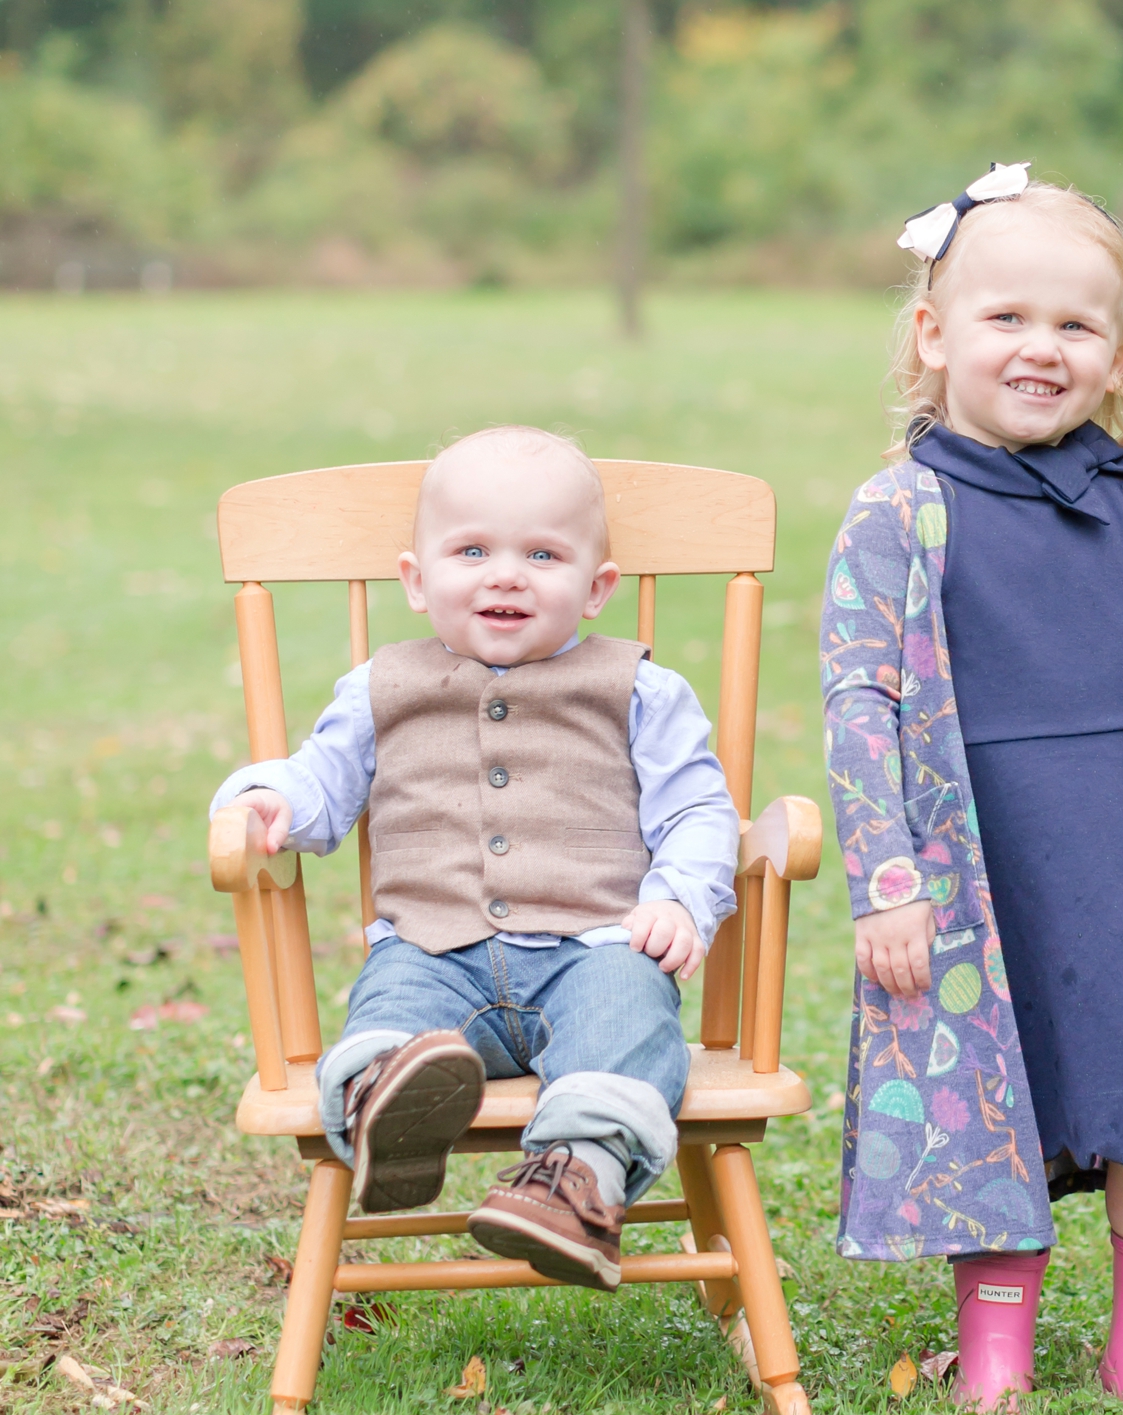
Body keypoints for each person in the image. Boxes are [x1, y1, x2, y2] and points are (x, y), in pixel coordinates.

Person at [822, 163, 1123, 1415]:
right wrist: (891, 879)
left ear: (1122, 355)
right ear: (933, 334)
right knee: (998, 1098)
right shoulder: (900, 512)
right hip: (983, 856)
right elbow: (861, 704)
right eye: (1007, 318)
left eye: (1077, 326)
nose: (1042, 348)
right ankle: (997, 1355)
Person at [210, 426, 740, 1291]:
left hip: (595, 949)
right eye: (471, 551)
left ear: (597, 587)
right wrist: (274, 802)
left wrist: (680, 899)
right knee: (391, 1021)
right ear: (417, 582)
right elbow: (323, 780)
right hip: (432, 955)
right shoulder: (380, 688)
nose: (505, 574)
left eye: (542, 553)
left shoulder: (641, 689)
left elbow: (697, 809)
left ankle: (575, 1184)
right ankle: (389, 1108)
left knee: (627, 1023)